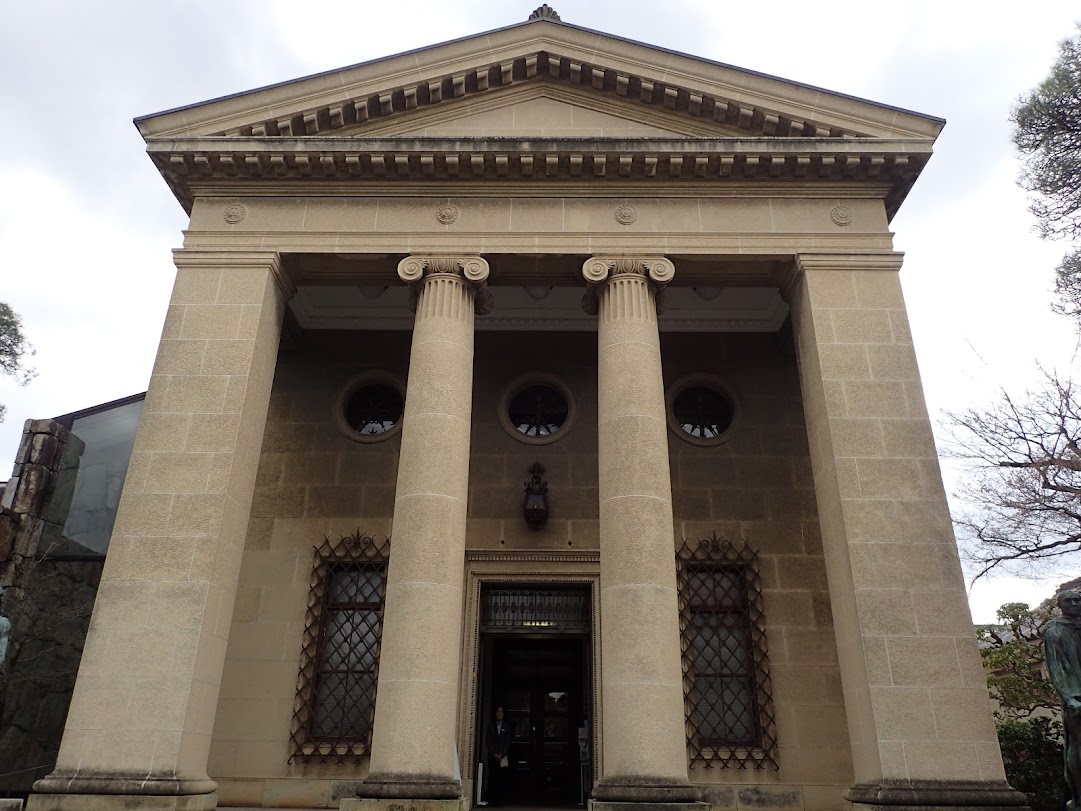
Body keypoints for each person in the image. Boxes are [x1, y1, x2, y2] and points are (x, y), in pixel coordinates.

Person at [1043, 589, 1081, 808]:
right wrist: (1069, 698)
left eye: (1077, 600)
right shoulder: (1055, 630)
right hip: (1076, 697)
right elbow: (1056, 669)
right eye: (1069, 601)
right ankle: (1078, 797)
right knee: (1077, 744)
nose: (1074, 604)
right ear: (1060, 606)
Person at [484, 704, 511, 806]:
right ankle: (492, 800)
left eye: (501, 711)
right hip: (492, 757)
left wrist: (502, 754)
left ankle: (501, 800)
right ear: (495, 713)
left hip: (503, 758)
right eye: (498, 711)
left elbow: (507, 742)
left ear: (504, 714)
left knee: (502, 779)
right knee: (492, 778)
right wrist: (494, 754)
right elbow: (488, 741)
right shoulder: (491, 726)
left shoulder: (506, 727)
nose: (499, 713)